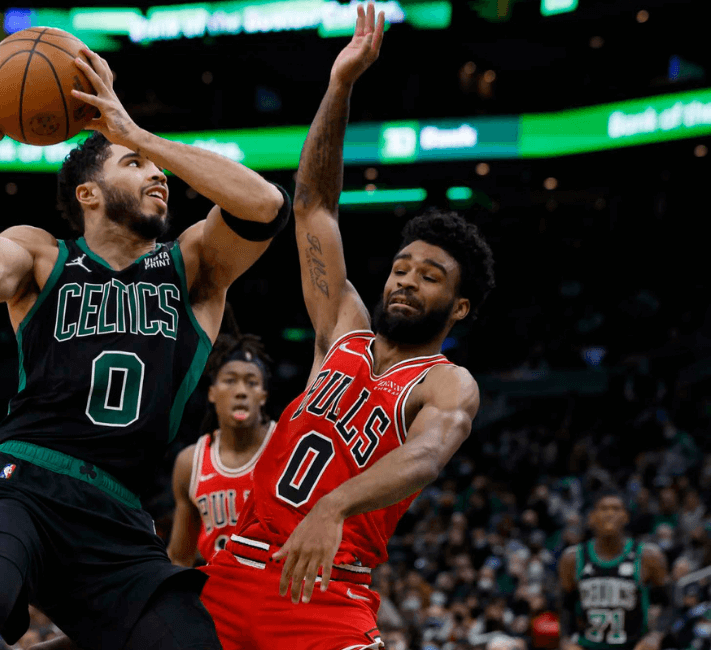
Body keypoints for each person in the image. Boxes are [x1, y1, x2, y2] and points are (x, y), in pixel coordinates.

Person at [0, 40, 290, 650]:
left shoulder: (191, 267)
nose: (157, 172)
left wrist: (136, 133)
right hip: (23, 483)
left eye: (153, 165)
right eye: (133, 164)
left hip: (117, 516)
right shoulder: (43, 255)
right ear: (88, 194)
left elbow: (265, 206)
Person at [198, 4, 497, 649]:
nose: (406, 281)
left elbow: (423, 455)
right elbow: (313, 207)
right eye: (401, 268)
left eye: (430, 277)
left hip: (327, 588)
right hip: (231, 573)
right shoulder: (342, 327)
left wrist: (334, 505)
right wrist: (340, 86)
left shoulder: (447, 385)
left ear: (461, 307)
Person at [167, 310, 277, 567]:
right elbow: (180, 558)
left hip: (277, 595)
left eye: (252, 382)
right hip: (218, 596)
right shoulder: (190, 463)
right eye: (230, 381)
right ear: (212, 394)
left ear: (263, 396)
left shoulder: (287, 445)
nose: (241, 391)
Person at [558, 491, 669, 650]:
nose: (610, 514)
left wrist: (656, 635)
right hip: (588, 644)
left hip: (633, 645)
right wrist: (566, 640)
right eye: (603, 509)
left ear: (626, 516)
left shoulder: (648, 556)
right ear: (592, 517)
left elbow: (670, 602)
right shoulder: (572, 558)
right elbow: (565, 606)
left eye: (616, 509)